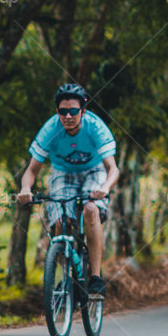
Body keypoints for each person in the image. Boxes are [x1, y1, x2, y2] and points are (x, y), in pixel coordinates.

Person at [17, 83, 119, 297]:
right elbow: (31, 170)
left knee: (91, 210)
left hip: (94, 171)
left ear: (83, 110)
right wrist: (25, 188)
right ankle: (65, 278)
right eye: (63, 111)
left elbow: (113, 169)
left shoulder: (95, 127)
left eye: (73, 111)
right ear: (57, 111)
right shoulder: (50, 130)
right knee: (61, 221)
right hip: (63, 172)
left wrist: (104, 188)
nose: (68, 116)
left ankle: (96, 278)